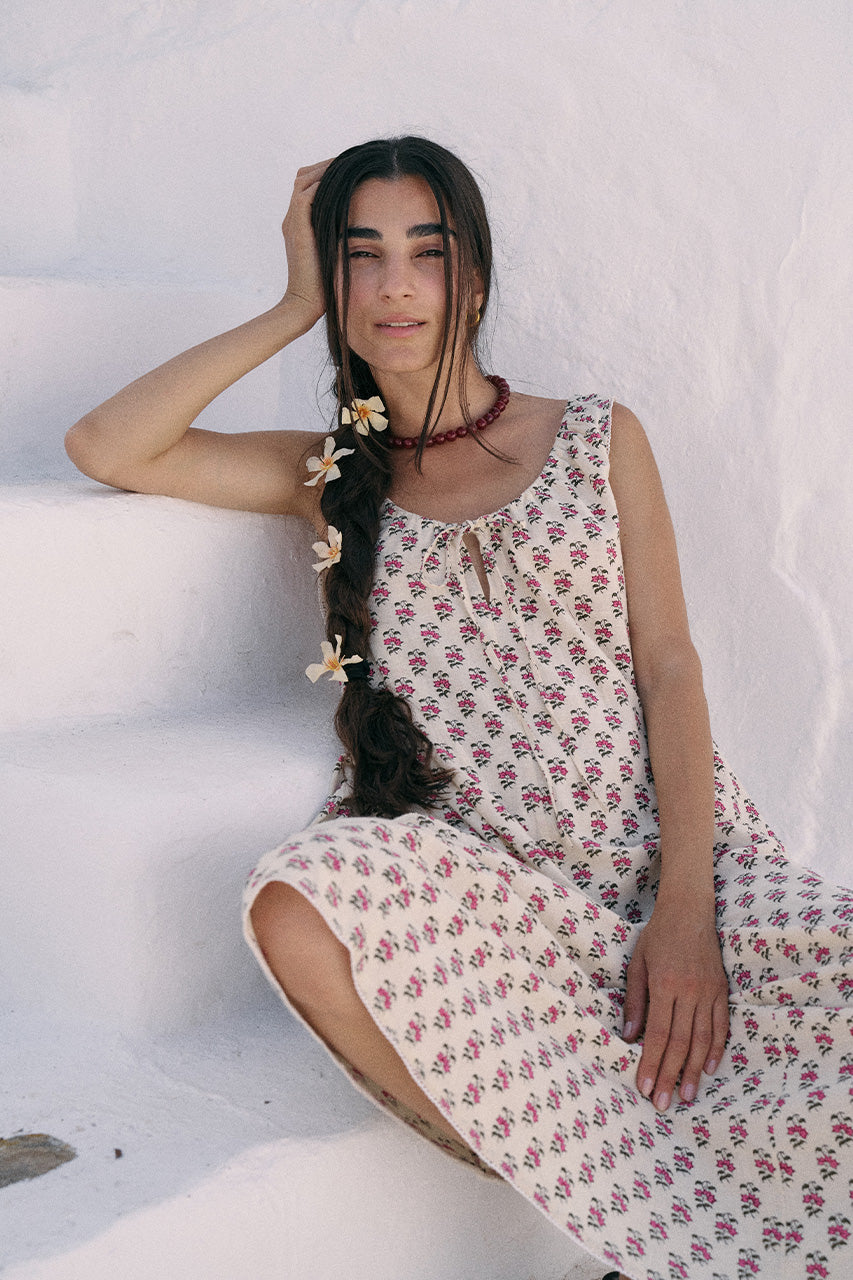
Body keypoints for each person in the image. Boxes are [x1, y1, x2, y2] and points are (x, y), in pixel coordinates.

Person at [66, 137, 852, 1280]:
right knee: (294, 903)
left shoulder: (596, 436)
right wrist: (291, 304)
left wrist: (685, 906)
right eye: (361, 255)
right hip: (499, 887)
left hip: (670, 861)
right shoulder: (325, 473)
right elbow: (109, 445)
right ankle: (590, 1174)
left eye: (425, 254)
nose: (394, 285)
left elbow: (669, 666)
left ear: (471, 278)